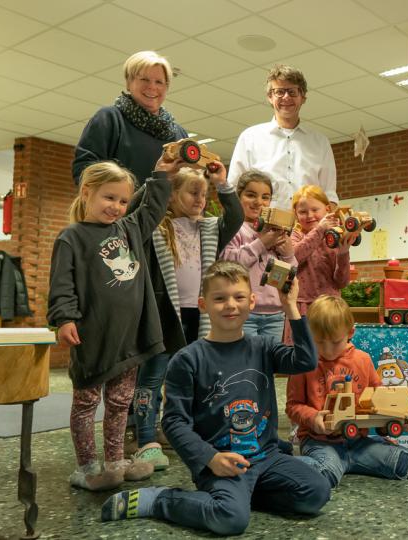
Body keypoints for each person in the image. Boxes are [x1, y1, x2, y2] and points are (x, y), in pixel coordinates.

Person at [100, 261, 331, 535]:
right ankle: (160, 500)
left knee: (317, 493)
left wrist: (290, 307)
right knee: (230, 520)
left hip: (266, 457)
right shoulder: (187, 360)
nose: (230, 305)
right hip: (220, 462)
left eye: (239, 297)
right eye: (219, 298)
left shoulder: (264, 346)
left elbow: (305, 360)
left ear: (252, 302)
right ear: (203, 304)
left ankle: (241, 497)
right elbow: (174, 422)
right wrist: (210, 459)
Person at [47, 158, 179, 491]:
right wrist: (64, 318)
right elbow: (62, 284)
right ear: (87, 192)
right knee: (86, 402)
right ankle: (87, 466)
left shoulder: (130, 229)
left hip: (130, 338)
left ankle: (116, 459)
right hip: (94, 336)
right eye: (109, 198)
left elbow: (152, 209)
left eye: (123, 200)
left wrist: (162, 175)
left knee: (121, 403)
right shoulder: (71, 238)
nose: (117, 207)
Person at [131, 163, 242, 471]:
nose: (200, 200)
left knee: (196, 379)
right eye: (193, 192)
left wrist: (222, 184)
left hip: (198, 316)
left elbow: (235, 217)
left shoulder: (208, 227)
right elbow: (134, 208)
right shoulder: (156, 227)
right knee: (152, 378)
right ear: (171, 195)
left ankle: (188, 432)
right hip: (164, 315)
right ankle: (145, 440)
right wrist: (159, 178)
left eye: (204, 194)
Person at [285, 295, 408, 488]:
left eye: (335, 342)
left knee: (405, 463)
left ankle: (344, 463)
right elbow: (292, 406)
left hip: (358, 443)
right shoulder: (304, 363)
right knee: (323, 475)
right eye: (319, 342)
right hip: (319, 442)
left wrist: (400, 418)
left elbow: (379, 401)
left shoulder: (362, 360)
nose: (328, 350)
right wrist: (313, 418)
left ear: (350, 333)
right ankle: (286, 466)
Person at [227, 64, 338, 208]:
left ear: (303, 97)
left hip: (308, 227)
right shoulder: (250, 138)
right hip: (260, 228)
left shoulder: (320, 142)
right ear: (270, 97)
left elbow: (329, 195)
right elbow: (234, 188)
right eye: (279, 92)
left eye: (292, 92)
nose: (286, 97)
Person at [72, 51, 188, 187]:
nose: (152, 86)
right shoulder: (110, 119)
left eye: (159, 82)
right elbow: (84, 171)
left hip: (164, 208)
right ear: (128, 82)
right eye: (144, 79)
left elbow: (187, 183)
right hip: (119, 207)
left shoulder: (179, 135)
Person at [221, 170, 296, 344]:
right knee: (244, 363)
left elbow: (291, 275)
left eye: (265, 197)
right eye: (251, 195)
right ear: (239, 197)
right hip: (244, 312)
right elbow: (230, 265)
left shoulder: (275, 231)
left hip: (275, 314)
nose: (258, 202)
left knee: (268, 365)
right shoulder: (235, 229)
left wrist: (289, 254)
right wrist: (262, 243)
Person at [289, 185, 352, 320]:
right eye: (303, 212)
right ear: (296, 213)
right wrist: (319, 229)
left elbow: (342, 282)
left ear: (327, 209)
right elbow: (294, 257)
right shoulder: (295, 235)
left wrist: (343, 253)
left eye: (315, 209)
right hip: (302, 307)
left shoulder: (334, 236)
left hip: (330, 308)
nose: (309, 215)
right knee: (302, 341)